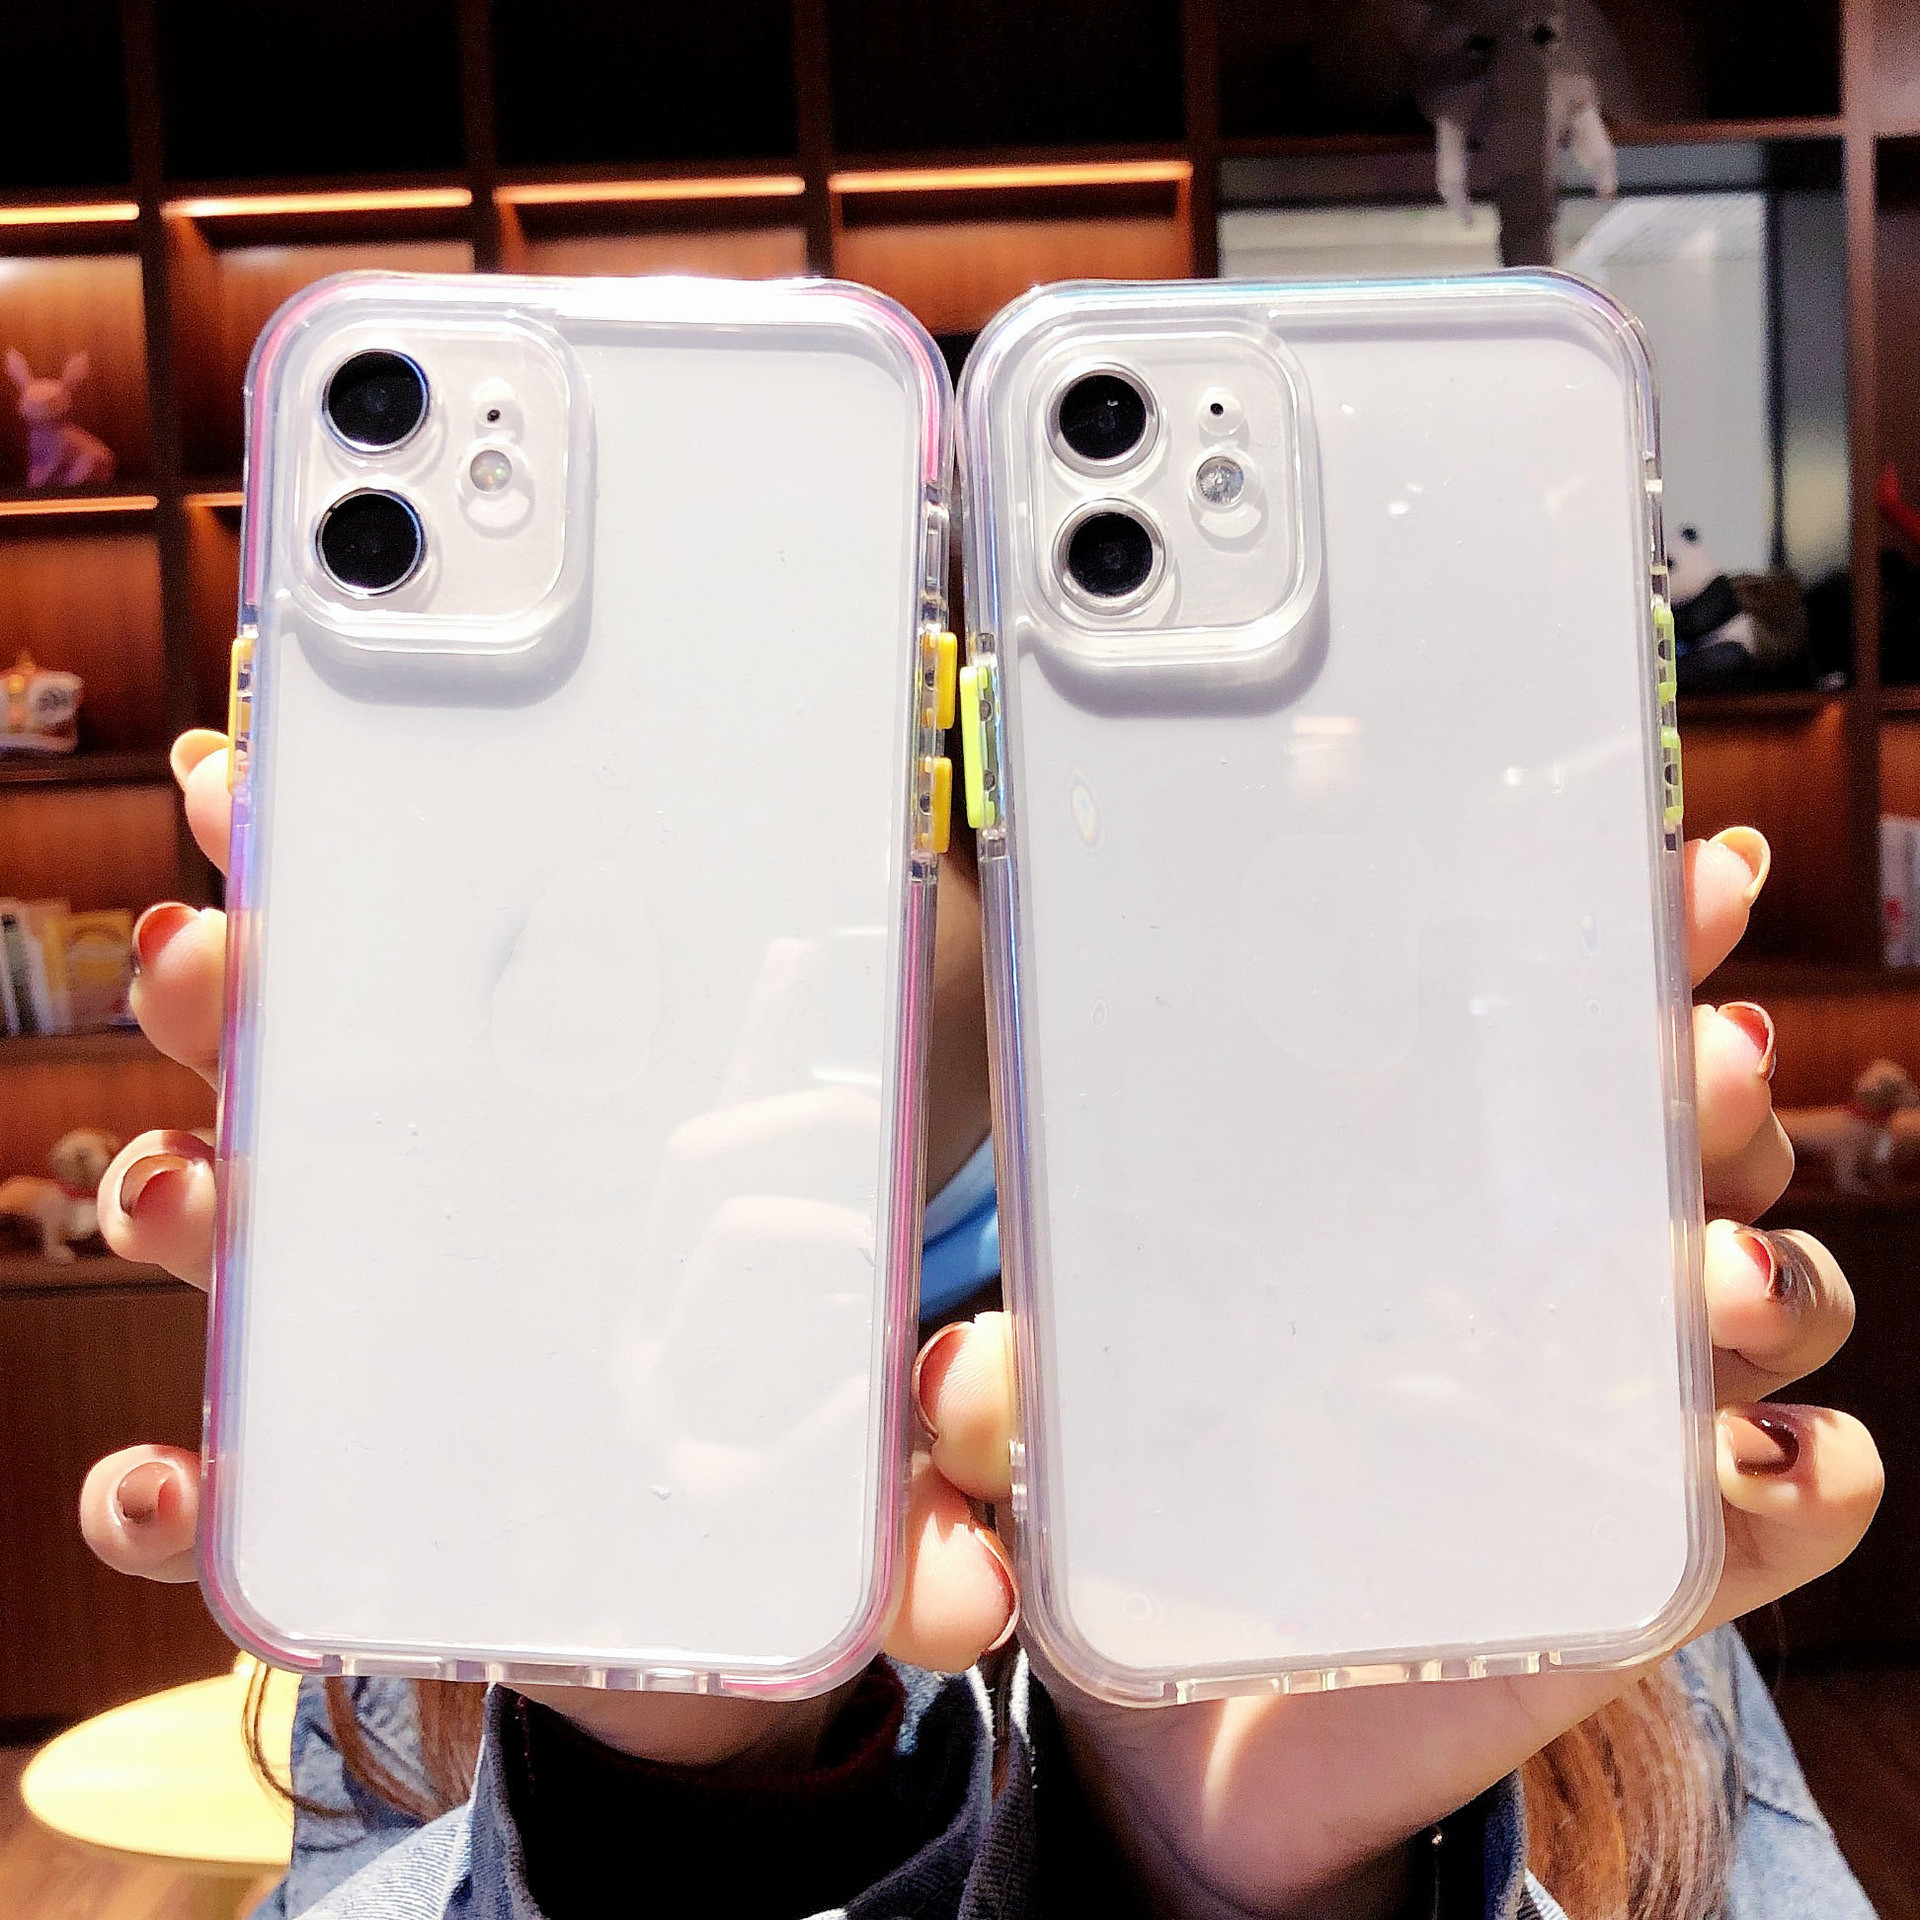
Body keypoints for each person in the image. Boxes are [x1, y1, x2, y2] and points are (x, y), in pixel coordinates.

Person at [80, 728, 1881, 1919]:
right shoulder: (497, 1516)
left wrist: (1272, 1887)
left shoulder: (1499, 1487)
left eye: (913, 749)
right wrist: (672, 1825)